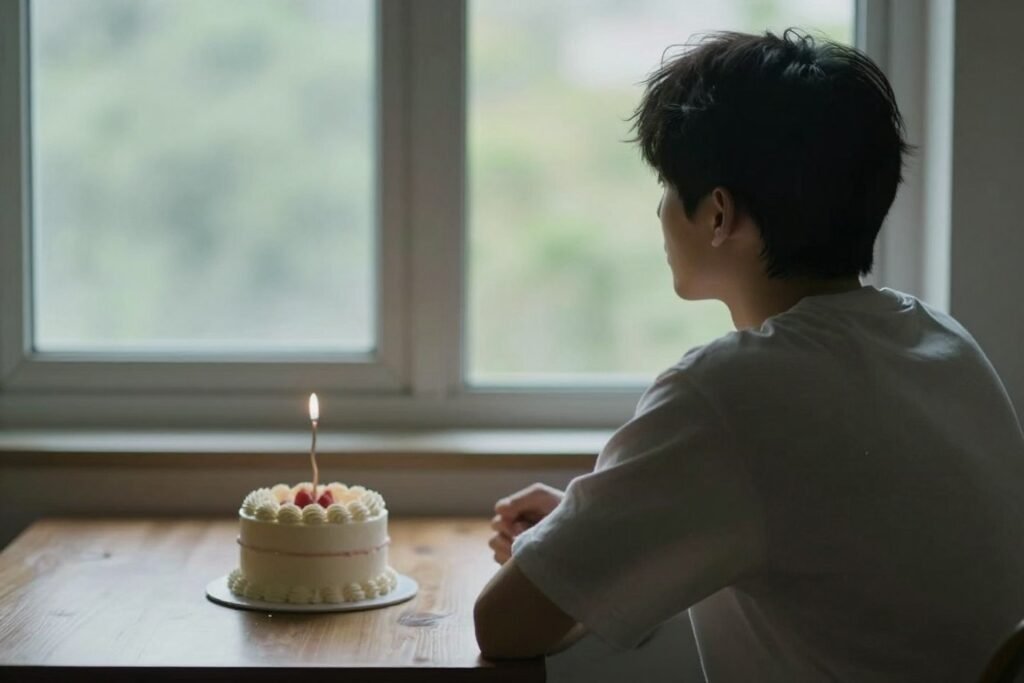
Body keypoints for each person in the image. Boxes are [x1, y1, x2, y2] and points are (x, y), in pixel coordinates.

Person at [473, 29, 1024, 682]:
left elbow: (503, 623)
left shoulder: (727, 392)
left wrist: (552, 551)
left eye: (668, 184)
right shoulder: (942, 341)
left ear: (717, 215)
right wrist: (581, 529)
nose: (658, 209)